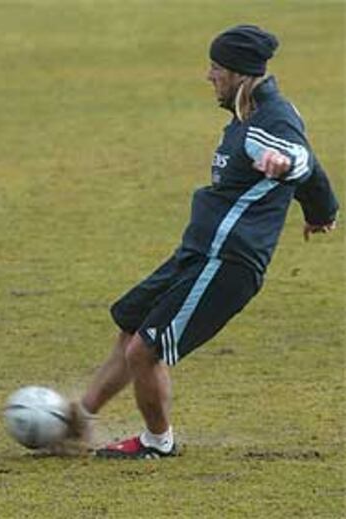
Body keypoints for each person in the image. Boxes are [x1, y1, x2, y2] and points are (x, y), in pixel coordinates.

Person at [66, 25, 338, 459]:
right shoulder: (246, 114)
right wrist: (321, 212)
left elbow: (302, 158)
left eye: (216, 67)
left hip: (228, 262)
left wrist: (285, 161)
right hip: (197, 252)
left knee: (145, 351)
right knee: (131, 325)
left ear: (239, 74)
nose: (209, 75)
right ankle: (77, 420)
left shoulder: (270, 121)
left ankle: (158, 442)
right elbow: (314, 167)